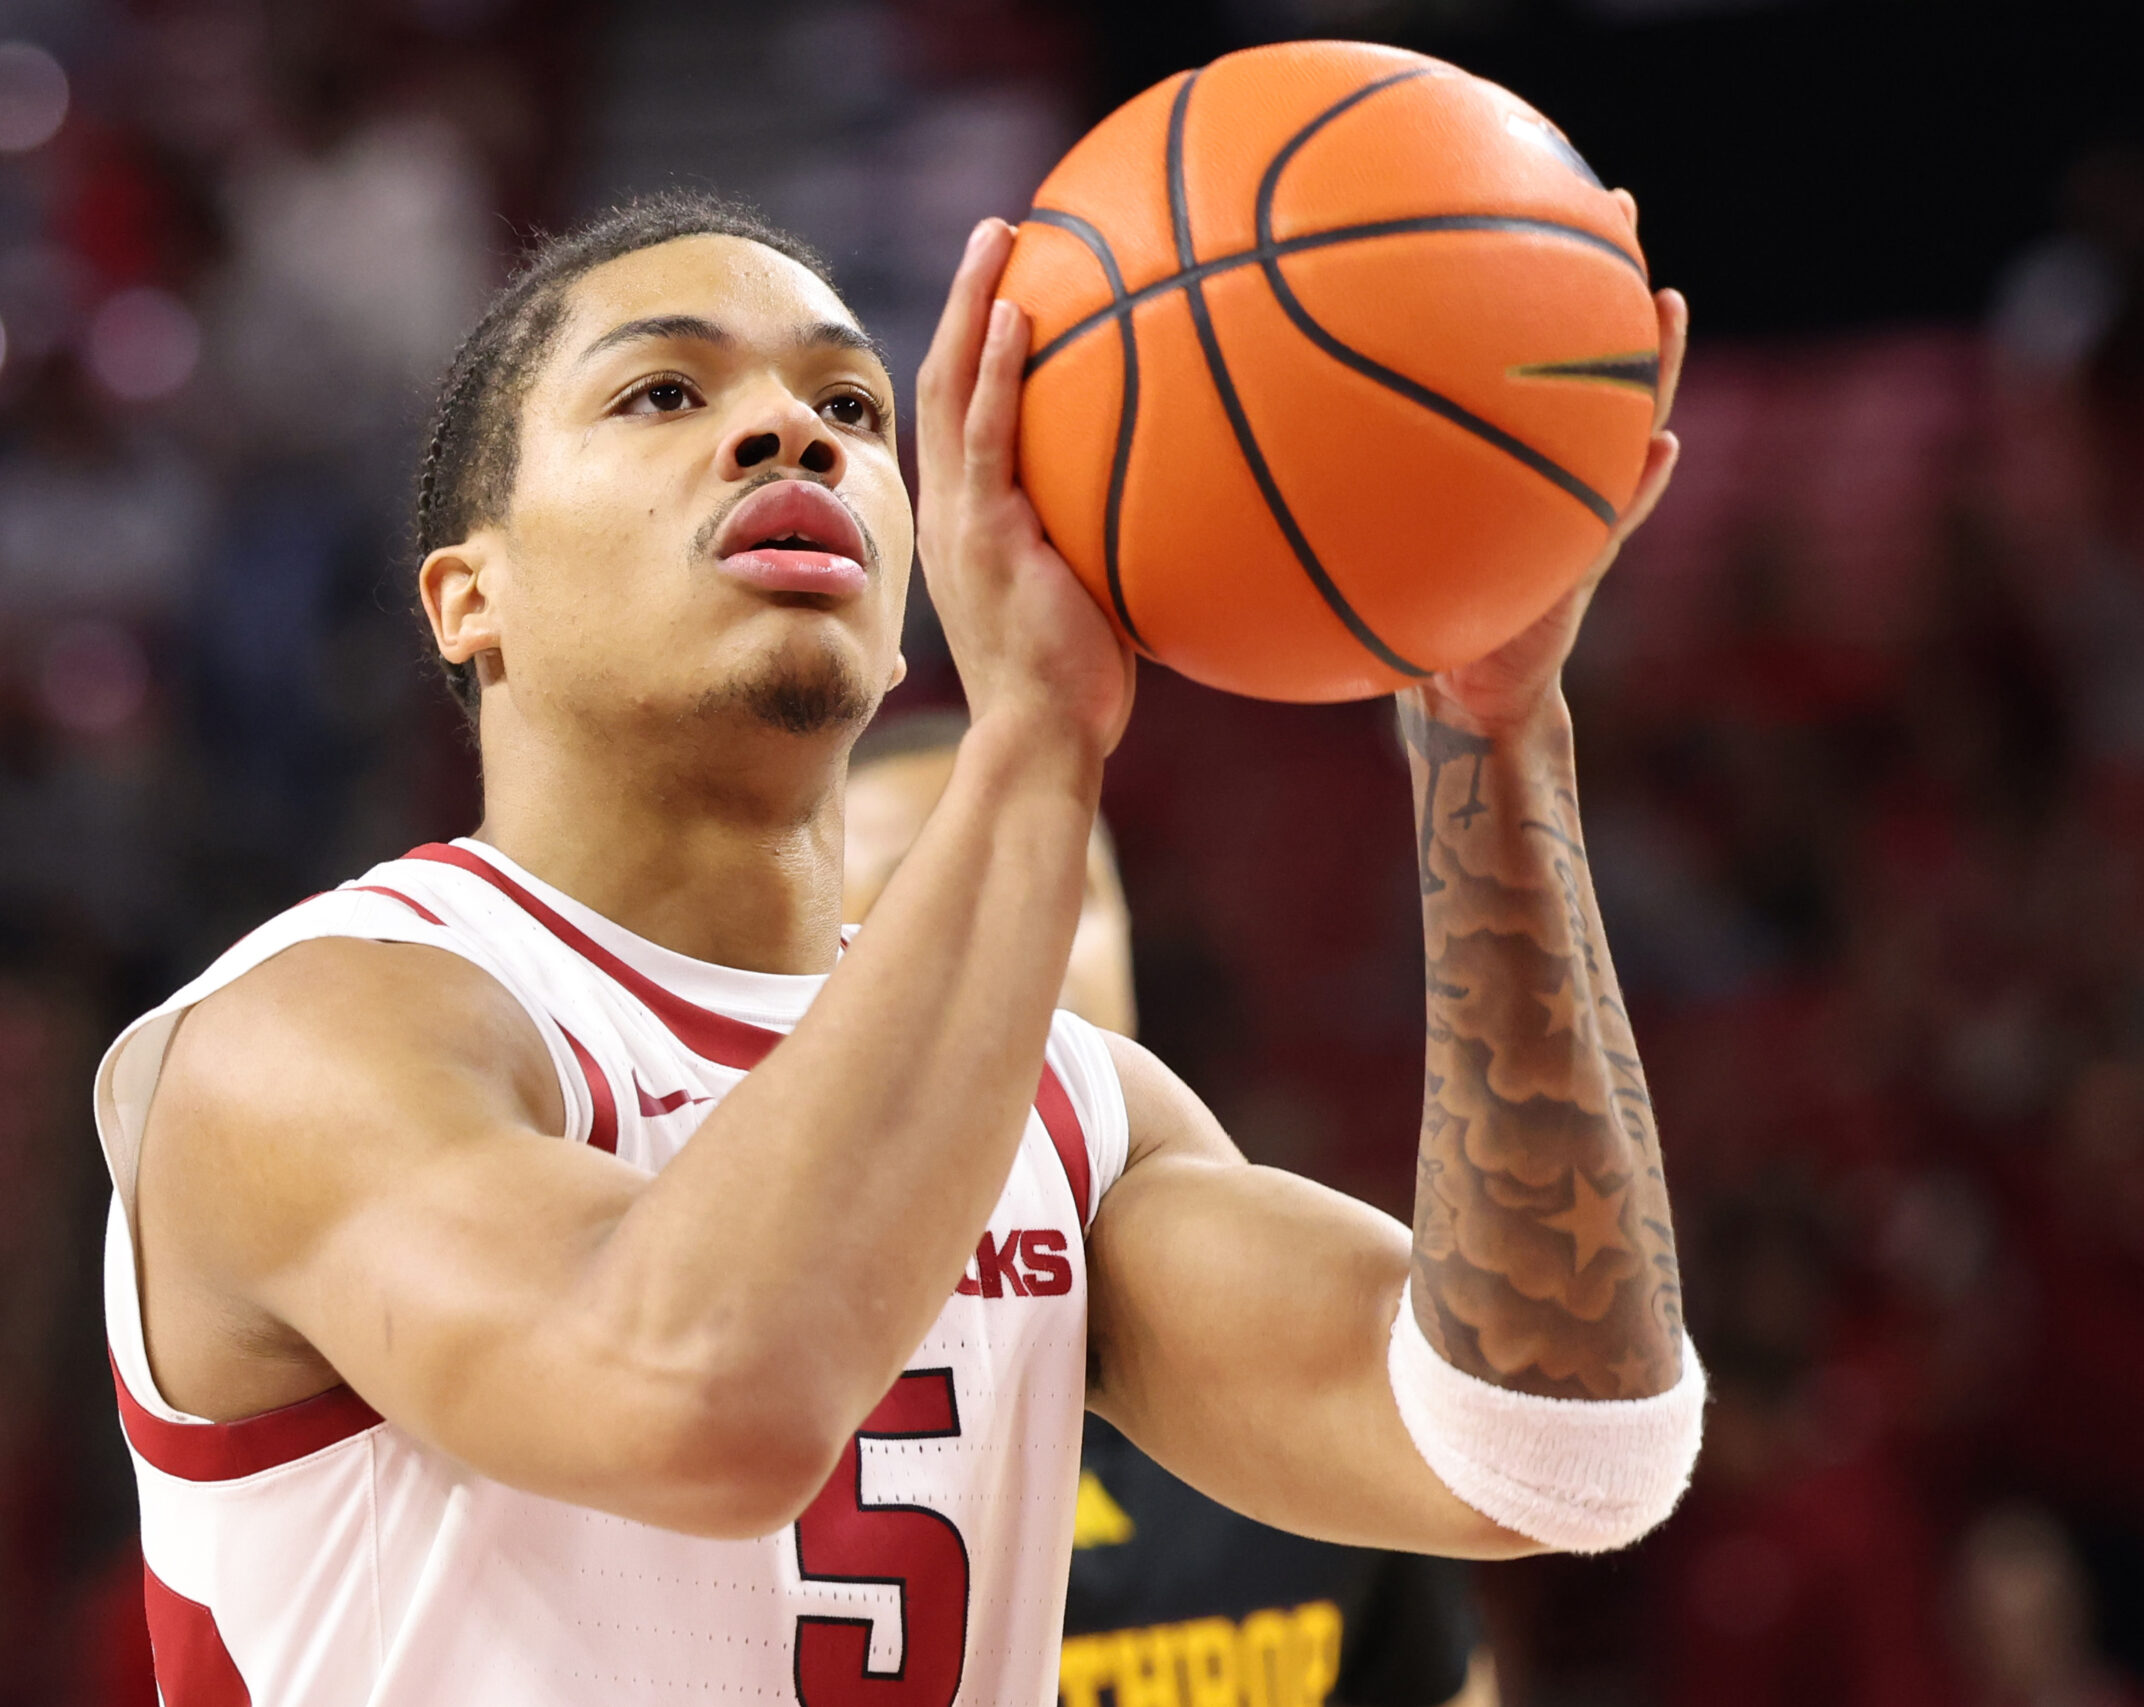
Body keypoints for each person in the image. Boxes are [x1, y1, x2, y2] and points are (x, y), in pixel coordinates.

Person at [93, 189, 1702, 1703]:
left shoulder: (1074, 1110)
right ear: (466, 598)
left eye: (855, 409)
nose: (794, 428)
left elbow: (1550, 1453)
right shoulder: (306, 1032)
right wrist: (1038, 736)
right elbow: (698, 1402)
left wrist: (1494, 742)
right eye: (660, 393)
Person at [845, 713, 1498, 1707]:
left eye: (1063, 884)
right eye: (923, 890)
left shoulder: (1292, 1327)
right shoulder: (751, 1370)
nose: (1023, 933)